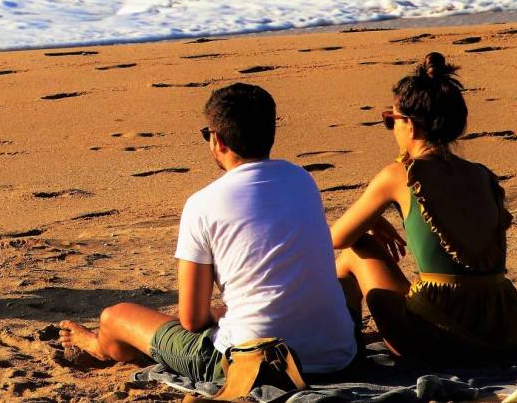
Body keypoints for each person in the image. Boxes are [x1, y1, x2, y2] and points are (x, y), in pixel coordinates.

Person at [57, 83, 358, 383]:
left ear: (218, 140)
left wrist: (217, 314)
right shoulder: (301, 180)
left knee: (116, 316)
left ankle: (99, 346)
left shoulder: (203, 204)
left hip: (252, 365)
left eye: (207, 135)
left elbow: (192, 320)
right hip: (336, 356)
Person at [330, 52, 517, 357]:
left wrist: (370, 222)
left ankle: (345, 347)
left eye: (390, 120)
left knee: (357, 251)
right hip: (500, 327)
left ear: (410, 125)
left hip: (436, 337)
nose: (391, 128)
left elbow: (337, 237)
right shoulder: (482, 175)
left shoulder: (399, 175)